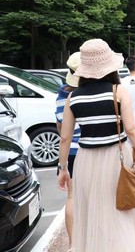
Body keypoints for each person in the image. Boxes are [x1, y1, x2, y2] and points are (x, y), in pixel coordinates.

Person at [57, 38, 135, 252]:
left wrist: (63, 168)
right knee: (119, 212)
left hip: (85, 160)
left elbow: (64, 137)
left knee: (91, 212)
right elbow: (131, 130)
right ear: (110, 66)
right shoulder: (118, 91)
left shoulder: (72, 97)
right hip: (115, 158)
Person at [54, 52, 81, 249]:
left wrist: (61, 164)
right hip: (88, 150)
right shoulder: (86, 94)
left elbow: (61, 131)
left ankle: (73, 244)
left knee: (72, 197)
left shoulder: (61, 93)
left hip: (70, 153)